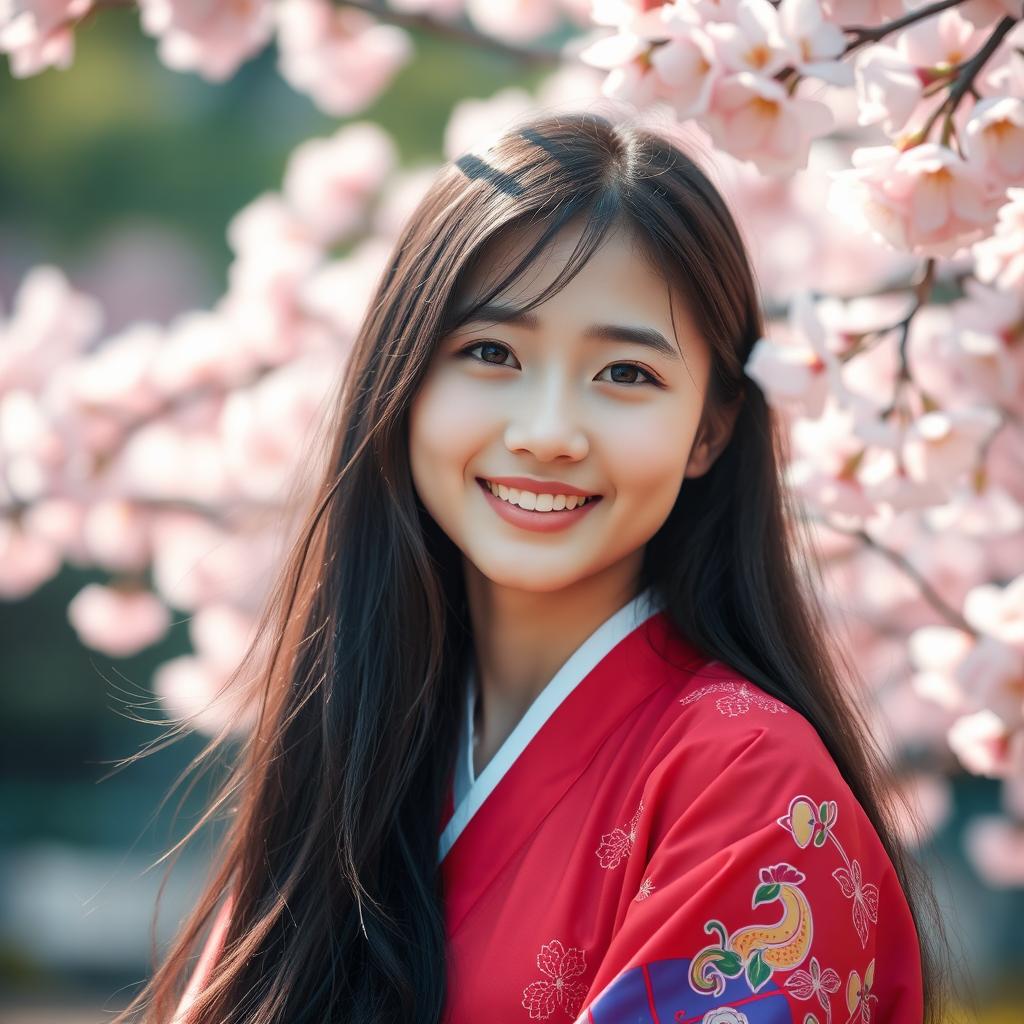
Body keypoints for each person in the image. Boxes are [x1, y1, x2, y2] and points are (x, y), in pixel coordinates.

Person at [116, 110, 941, 1024]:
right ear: (404, 382)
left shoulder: (751, 783)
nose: (548, 433)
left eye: (626, 374)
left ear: (710, 427)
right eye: (491, 353)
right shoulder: (354, 760)